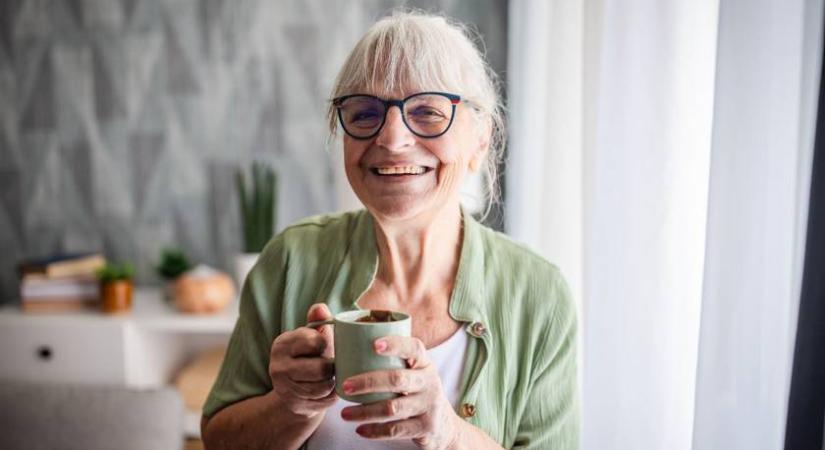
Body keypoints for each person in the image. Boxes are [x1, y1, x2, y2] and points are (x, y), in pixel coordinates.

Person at [200, 10, 578, 450]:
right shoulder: (290, 259)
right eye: (365, 113)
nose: (392, 138)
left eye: (428, 112)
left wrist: (449, 434)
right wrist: (290, 406)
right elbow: (218, 439)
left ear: (479, 139)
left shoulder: (538, 293)